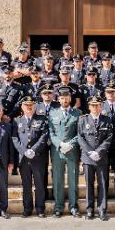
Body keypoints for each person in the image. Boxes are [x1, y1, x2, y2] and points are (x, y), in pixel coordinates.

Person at [12, 96, 49, 218]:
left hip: (38, 157)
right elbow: (15, 139)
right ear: (22, 107)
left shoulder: (42, 119)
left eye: (31, 105)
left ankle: (40, 208)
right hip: (24, 159)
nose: (29, 107)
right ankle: (27, 208)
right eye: (26, 105)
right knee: (26, 185)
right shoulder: (17, 121)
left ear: (35, 106)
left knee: (39, 185)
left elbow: (44, 137)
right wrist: (24, 151)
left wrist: (33, 150)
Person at [78, 95, 113, 221]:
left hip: (102, 157)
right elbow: (80, 138)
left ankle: (102, 210)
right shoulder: (83, 120)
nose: (95, 107)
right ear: (89, 106)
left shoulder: (107, 120)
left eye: (97, 105)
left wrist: (99, 152)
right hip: (88, 159)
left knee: (103, 184)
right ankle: (89, 210)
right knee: (89, 185)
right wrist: (89, 152)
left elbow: (109, 137)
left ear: (101, 106)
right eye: (92, 105)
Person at [48, 86, 82, 217]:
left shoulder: (77, 114)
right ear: (58, 99)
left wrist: (71, 144)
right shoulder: (52, 113)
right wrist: (59, 144)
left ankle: (74, 207)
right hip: (57, 152)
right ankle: (59, 207)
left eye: (67, 97)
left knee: (73, 180)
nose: (65, 99)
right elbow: (51, 132)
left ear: (70, 98)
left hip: (72, 151)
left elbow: (80, 133)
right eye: (62, 97)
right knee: (58, 180)